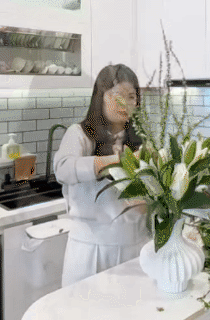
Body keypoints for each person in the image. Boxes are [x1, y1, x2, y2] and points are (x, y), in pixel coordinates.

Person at [53, 63, 150, 287]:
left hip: (135, 247)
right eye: (117, 95)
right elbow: (63, 168)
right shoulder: (80, 135)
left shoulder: (140, 141)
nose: (125, 103)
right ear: (100, 98)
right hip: (90, 251)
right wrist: (118, 161)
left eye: (131, 97)